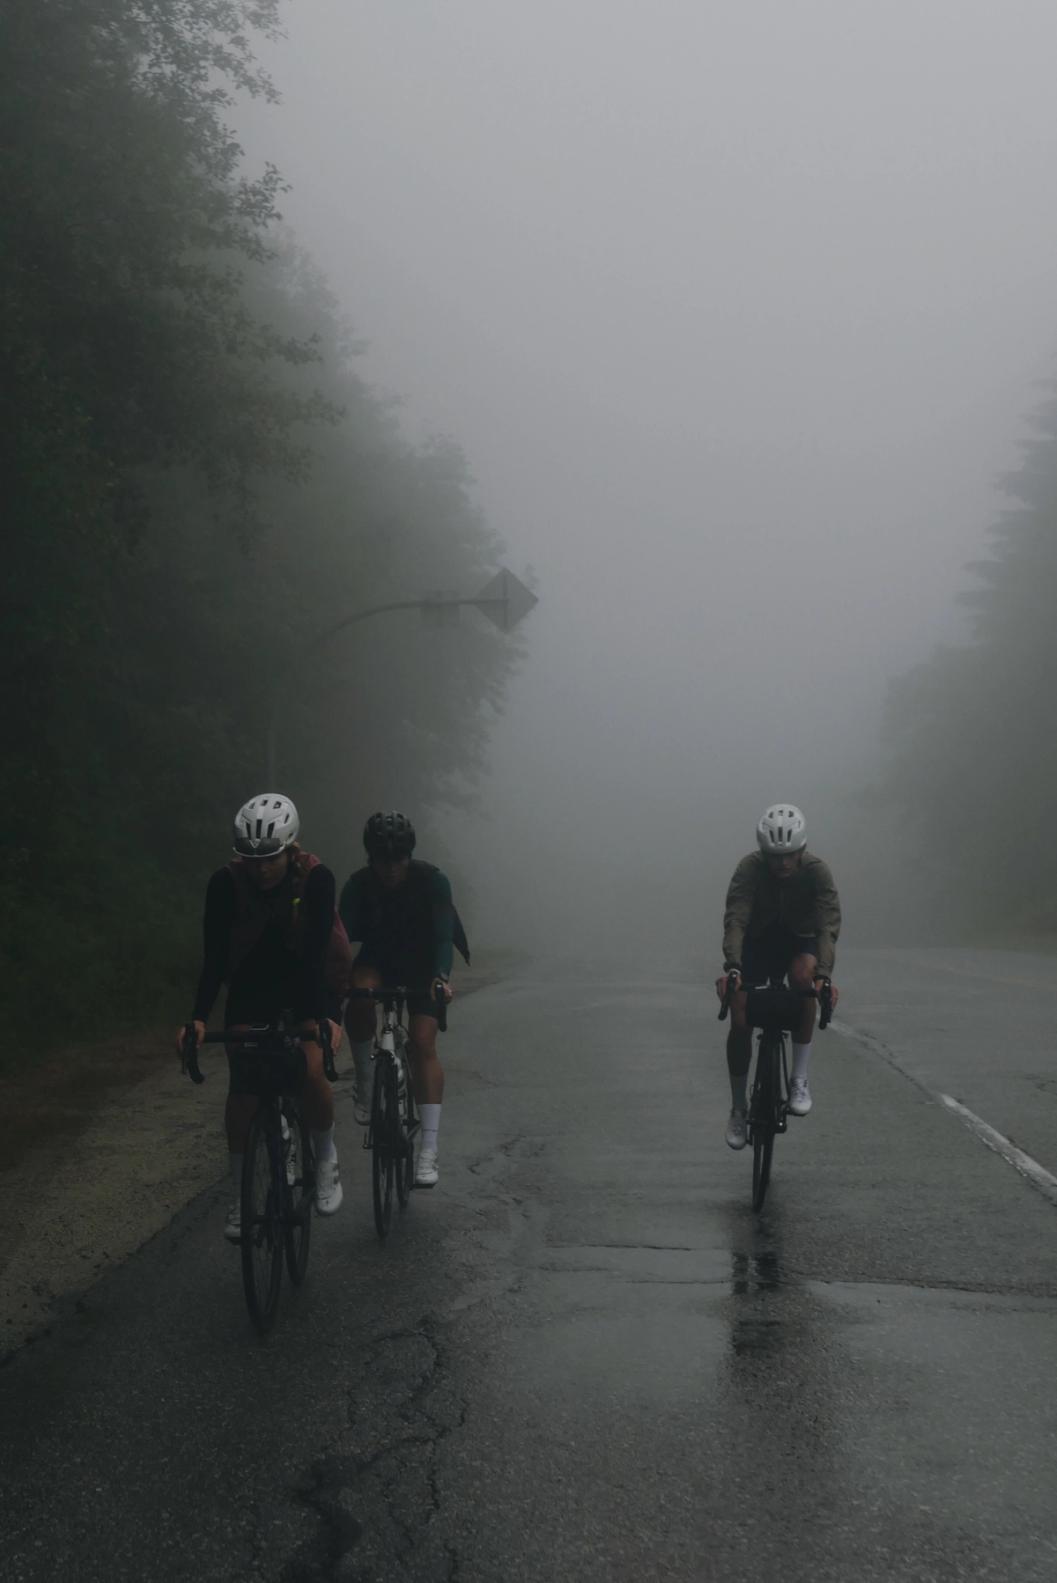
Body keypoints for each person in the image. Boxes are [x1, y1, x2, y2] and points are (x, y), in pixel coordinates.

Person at [177, 793, 349, 1240]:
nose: (261, 868)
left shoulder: (316, 878)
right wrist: (198, 1017)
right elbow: (214, 957)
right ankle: (240, 1195)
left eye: (270, 858)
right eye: (251, 859)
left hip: (309, 979)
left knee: (312, 1069)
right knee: (244, 1089)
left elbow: (314, 957)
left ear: (290, 849)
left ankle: (326, 1158)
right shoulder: (225, 883)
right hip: (253, 985)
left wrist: (320, 1019)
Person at [340, 811, 469, 1189]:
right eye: (383, 859)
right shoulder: (358, 885)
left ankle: (428, 1148)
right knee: (360, 995)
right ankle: (365, 1078)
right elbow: (336, 942)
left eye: (399, 858)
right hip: (379, 961)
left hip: (424, 965)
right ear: (371, 857)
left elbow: (445, 937)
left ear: (409, 855)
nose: (392, 867)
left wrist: (442, 978)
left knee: (423, 1043)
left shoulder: (433, 881)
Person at [715, 803, 841, 1150]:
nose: (782, 863)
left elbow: (827, 926)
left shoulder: (817, 873)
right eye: (774, 856)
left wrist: (824, 977)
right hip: (757, 939)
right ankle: (739, 1107)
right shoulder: (749, 869)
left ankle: (798, 1078)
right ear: (763, 851)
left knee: (805, 980)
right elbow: (736, 918)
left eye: (789, 856)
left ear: (802, 850)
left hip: (799, 940)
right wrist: (733, 968)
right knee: (739, 1015)